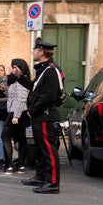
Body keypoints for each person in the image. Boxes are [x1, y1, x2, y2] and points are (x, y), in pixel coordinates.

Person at [22, 38, 64, 194]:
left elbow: (48, 96)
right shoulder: (43, 70)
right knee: (40, 149)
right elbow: (35, 89)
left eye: (34, 50)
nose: (33, 52)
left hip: (46, 115)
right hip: (40, 116)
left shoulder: (51, 70)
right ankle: (41, 176)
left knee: (48, 150)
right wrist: (21, 78)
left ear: (41, 52)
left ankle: (53, 183)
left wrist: (32, 110)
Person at [0, 59, 31, 174]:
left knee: (5, 136)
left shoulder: (23, 81)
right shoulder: (14, 80)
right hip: (15, 112)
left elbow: (21, 100)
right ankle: (20, 166)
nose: (10, 69)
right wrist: (6, 90)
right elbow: (12, 96)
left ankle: (9, 165)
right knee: (20, 138)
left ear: (18, 68)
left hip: (17, 112)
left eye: (13, 67)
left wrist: (16, 116)